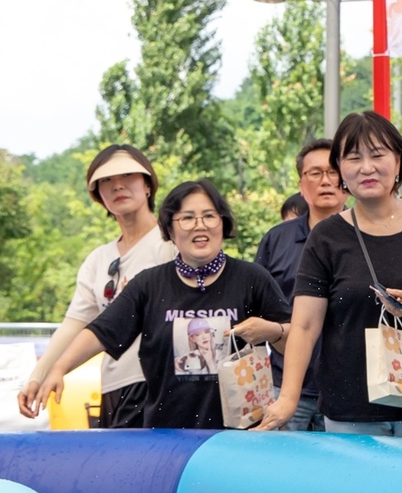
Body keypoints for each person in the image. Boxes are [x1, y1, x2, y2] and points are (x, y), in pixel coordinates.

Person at [30, 180, 292, 429]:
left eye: (209, 216)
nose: (200, 226)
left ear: (223, 223)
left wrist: (273, 331)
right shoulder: (149, 284)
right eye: (187, 218)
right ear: (169, 229)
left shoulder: (252, 278)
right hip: (167, 435)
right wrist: (59, 368)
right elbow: (102, 331)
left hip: (242, 434)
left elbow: (296, 338)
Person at [257, 111, 402, 435]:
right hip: (350, 409)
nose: (366, 167)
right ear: (340, 169)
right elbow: (305, 325)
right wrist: (288, 399)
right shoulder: (326, 236)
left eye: (377, 155)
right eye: (353, 157)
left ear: (398, 160)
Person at [17, 144, 177, 428]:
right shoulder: (98, 260)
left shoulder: (170, 245)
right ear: (98, 194)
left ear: (148, 185)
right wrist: (37, 376)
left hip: (160, 385)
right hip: (113, 386)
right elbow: (74, 324)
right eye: (106, 180)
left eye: (127, 175)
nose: (117, 185)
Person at [254, 138, 347, 431]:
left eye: (333, 172)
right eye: (315, 173)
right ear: (301, 184)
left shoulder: (366, 236)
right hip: (284, 386)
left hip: (349, 390)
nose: (326, 181)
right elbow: (256, 306)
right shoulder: (277, 239)